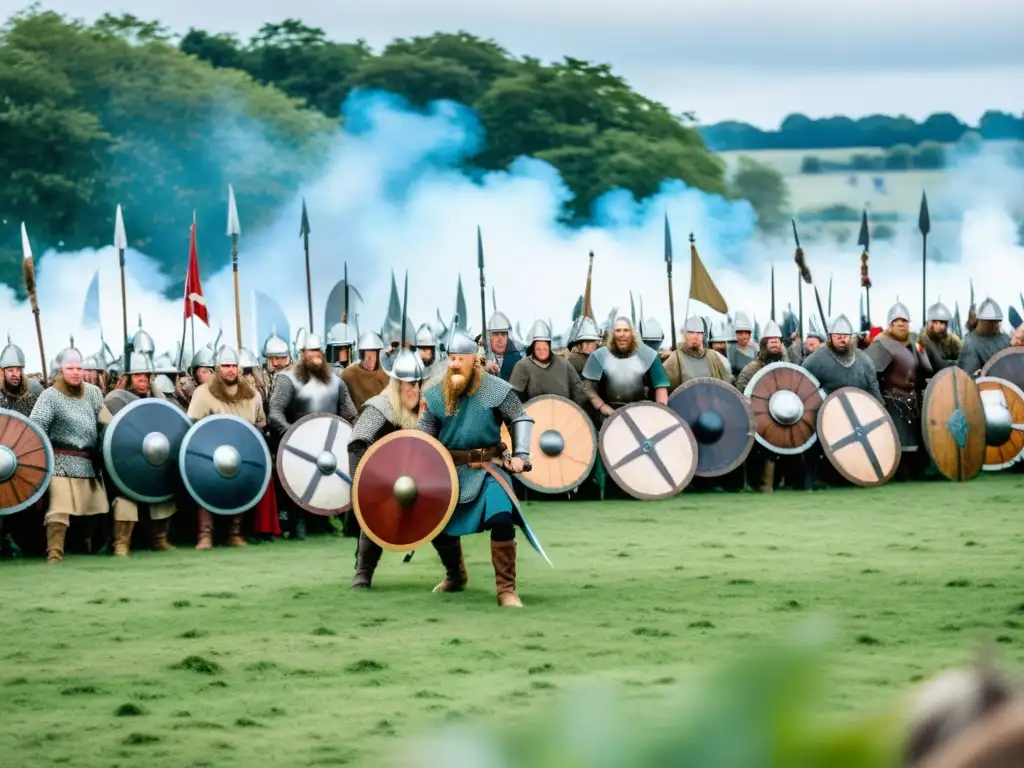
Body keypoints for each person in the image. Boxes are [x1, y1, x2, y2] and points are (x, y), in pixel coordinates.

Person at [417, 327, 536, 607]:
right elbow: (424, 433)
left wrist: (520, 454)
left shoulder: (495, 388)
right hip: (448, 471)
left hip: (488, 468)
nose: (455, 364)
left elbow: (519, 418)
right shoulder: (436, 393)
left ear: (475, 359)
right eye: (452, 359)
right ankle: (455, 575)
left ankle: (506, 590)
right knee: (435, 524)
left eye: (461, 358)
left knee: (501, 519)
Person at [348, 348, 434, 588]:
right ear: (396, 384)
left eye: (418, 383)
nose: (415, 389)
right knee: (374, 521)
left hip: (417, 480)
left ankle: (454, 572)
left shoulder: (425, 410)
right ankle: (362, 574)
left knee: (440, 511)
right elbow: (357, 445)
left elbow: (433, 450)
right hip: (381, 481)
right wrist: (362, 486)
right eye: (409, 384)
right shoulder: (379, 408)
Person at [268, 333, 357, 540]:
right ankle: (299, 523)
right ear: (301, 354)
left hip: (330, 446)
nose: (317, 355)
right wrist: (293, 436)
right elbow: (275, 413)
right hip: (298, 447)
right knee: (300, 485)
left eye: (319, 351)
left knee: (332, 482)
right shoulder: (287, 379)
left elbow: (350, 414)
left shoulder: (336, 382)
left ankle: (325, 523)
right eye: (312, 351)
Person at [187, 346, 275, 549]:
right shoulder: (203, 393)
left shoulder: (251, 394)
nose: (230, 370)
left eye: (233, 366)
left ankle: (234, 534)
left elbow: (260, 426)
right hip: (208, 455)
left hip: (240, 454)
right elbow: (192, 427)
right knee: (205, 487)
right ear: (218, 367)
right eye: (226, 365)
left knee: (240, 486)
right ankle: (205, 535)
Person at [29, 341, 109, 563]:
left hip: (88, 464)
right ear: (60, 370)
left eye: (78, 368)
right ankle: (54, 555)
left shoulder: (93, 393)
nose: (76, 373)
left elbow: (106, 424)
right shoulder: (50, 396)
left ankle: (87, 550)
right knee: (59, 511)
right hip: (60, 464)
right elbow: (35, 429)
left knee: (96, 511)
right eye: (70, 368)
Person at [97, 352, 178, 555]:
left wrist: (157, 394)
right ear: (127, 378)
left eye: (145, 376)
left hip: (153, 463)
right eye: (137, 376)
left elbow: (173, 424)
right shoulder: (115, 400)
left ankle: (160, 540)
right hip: (126, 463)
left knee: (163, 496)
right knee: (126, 500)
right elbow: (109, 434)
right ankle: (121, 543)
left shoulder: (158, 402)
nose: (142, 380)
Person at [865, 302, 933, 471]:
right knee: (896, 439)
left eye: (905, 321)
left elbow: (927, 370)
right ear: (890, 324)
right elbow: (871, 374)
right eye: (898, 321)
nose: (902, 324)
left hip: (914, 400)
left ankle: (915, 470)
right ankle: (896, 470)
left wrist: (922, 351)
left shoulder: (914, 342)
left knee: (914, 439)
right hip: (892, 399)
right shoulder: (881, 344)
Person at [582, 316, 670, 422]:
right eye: (618, 331)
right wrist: (603, 407)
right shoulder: (599, 356)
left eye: (626, 330)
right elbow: (588, 388)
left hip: (642, 414)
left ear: (632, 333)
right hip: (608, 417)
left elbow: (660, 386)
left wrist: (660, 413)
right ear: (613, 334)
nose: (622, 334)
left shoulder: (649, 355)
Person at [801, 314, 882, 399]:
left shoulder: (865, 361)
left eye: (845, 336)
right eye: (838, 336)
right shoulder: (816, 361)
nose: (842, 339)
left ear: (851, 337)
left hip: (860, 408)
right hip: (829, 410)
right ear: (830, 337)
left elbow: (874, 392)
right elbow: (804, 391)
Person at [509, 320, 588, 404]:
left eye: (545, 348)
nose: (542, 352)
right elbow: (513, 398)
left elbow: (578, 389)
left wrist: (576, 411)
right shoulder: (522, 366)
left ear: (549, 346)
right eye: (538, 349)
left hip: (563, 412)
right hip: (533, 414)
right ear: (533, 348)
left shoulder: (563, 363)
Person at [663, 316, 732, 389]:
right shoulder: (675, 358)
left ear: (703, 335)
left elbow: (728, 384)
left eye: (699, 333)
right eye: (691, 332)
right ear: (685, 335)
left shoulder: (716, 358)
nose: (695, 336)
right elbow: (664, 386)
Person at [957, 298, 1010, 376]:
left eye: (996, 321)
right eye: (990, 321)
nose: (994, 325)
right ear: (980, 320)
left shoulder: (1005, 339)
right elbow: (969, 376)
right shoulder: (971, 342)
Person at [341, 331, 390, 413]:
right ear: (361, 356)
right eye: (367, 357)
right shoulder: (349, 375)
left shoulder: (385, 375)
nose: (370, 361)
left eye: (373, 357)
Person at [919, 301, 962, 373]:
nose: (938, 325)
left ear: (946, 324)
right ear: (929, 323)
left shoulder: (952, 339)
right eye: (935, 322)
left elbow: (964, 358)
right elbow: (938, 365)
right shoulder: (923, 339)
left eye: (941, 322)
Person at [482, 310, 523, 381]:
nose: (500, 339)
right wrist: (483, 370)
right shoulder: (480, 357)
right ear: (489, 337)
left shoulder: (517, 360)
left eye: (504, 334)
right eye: (496, 334)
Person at [727, 311, 757, 377]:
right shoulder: (730, 350)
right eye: (741, 333)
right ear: (736, 334)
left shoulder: (756, 349)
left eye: (747, 333)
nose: (744, 336)